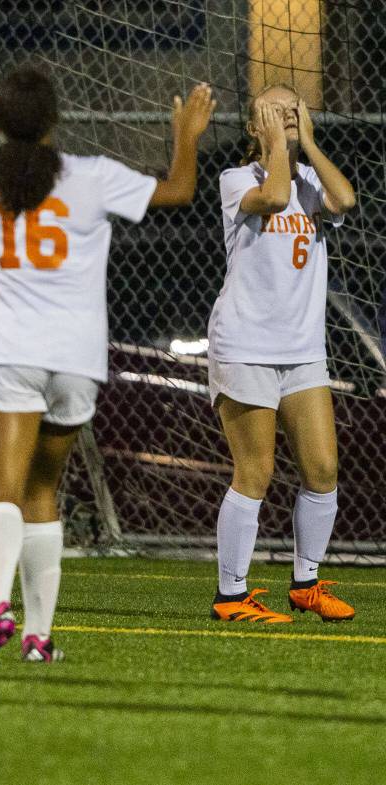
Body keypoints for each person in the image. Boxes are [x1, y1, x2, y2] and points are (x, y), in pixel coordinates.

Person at [0, 63, 214, 666]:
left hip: (8, 353)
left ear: (2, 120)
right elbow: (179, 190)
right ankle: (38, 637)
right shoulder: (91, 178)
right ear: (56, 120)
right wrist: (185, 135)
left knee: (0, 492)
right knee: (42, 490)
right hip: (75, 360)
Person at [207, 84, 356, 624]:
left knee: (322, 469)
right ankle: (231, 595)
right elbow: (271, 198)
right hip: (245, 346)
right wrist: (276, 146)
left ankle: (306, 583)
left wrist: (308, 145)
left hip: (302, 351)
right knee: (256, 471)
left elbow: (346, 201)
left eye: (294, 109)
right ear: (253, 128)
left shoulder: (312, 182)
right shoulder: (237, 181)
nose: (287, 116)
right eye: (274, 111)